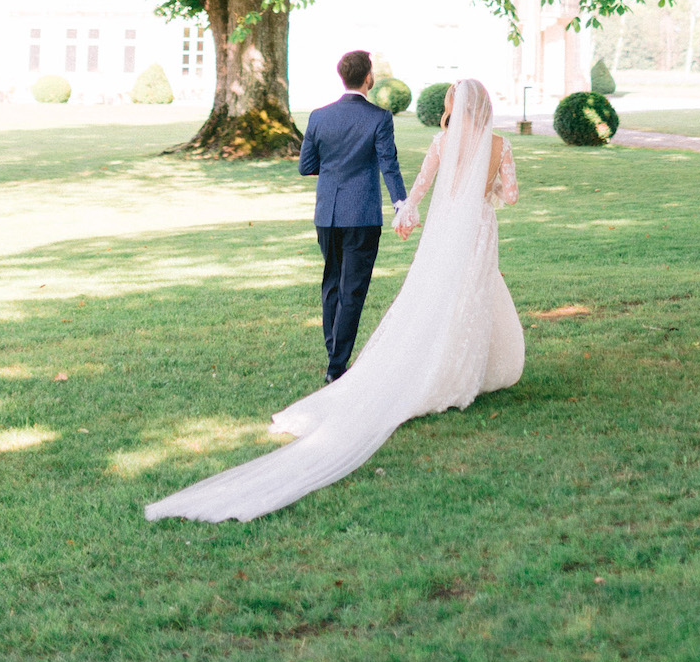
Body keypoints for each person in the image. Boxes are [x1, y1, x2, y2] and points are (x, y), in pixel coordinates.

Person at [145, 78, 523, 523]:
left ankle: (432, 366)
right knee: (469, 297)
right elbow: (510, 196)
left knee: (434, 297)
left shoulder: (443, 140)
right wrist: (488, 194)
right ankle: (464, 372)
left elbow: (420, 187)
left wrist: (407, 211)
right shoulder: (500, 146)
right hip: (477, 229)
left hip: (444, 232)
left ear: (452, 108)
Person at [298, 47, 409, 383]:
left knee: (332, 283)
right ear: (368, 78)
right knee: (353, 290)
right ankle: (336, 367)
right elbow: (388, 164)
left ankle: (335, 353)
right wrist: (401, 205)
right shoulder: (379, 117)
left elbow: (306, 166)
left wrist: (334, 171)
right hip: (361, 214)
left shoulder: (318, 116)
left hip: (327, 214)